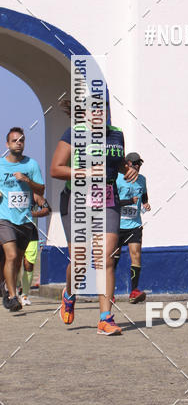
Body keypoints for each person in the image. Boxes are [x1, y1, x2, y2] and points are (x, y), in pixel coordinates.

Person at [49, 101, 137, 335]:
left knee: (106, 259)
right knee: (79, 261)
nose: (99, 112)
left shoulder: (116, 134)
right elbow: (56, 169)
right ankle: (69, 294)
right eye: (93, 108)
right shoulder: (74, 133)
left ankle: (105, 318)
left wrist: (128, 169)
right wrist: (85, 172)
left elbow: (117, 164)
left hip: (107, 199)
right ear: (85, 113)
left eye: (102, 109)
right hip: (77, 200)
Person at [0, 127, 45, 312]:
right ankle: (13, 297)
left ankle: (5, 287)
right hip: (4, 218)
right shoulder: (1, 165)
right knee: (11, 256)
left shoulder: (31, 165)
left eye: (21, 140)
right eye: (14, 140)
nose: (18, 143)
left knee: (18, 260)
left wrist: (27, 180)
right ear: (7, 144)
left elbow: (41, 190)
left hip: (25, 220)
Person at [113, 152, 150, 303]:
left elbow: (144, 195)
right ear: (127, 164)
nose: (138, 166)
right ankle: (109, 293)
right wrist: (129, 201)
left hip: (135, 225)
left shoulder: (142, 179)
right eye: (135, 163)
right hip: (117, 225)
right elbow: (112, 202)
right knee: (113, 259)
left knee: (136, 255)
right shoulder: (116, 178)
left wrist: (145, 203)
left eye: (139, 164)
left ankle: (134, 291)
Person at [17, 195, 51, 305]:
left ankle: (24, 295)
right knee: (14, 262)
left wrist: (34, 214)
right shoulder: (10, 190)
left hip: (31, 233)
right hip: (14, 231)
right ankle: (14, 290)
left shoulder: (34, 195)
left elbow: (47, 209)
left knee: (29, 264)